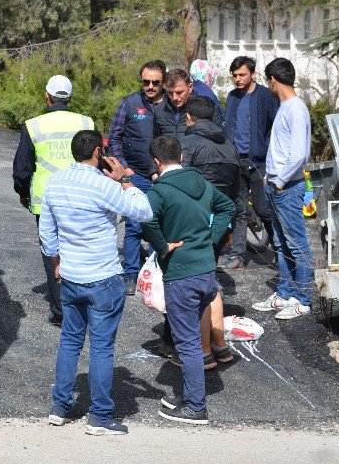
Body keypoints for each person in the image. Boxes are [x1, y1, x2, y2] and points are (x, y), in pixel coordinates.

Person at [40, 129, 153, 435]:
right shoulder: (104, 185)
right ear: (98, 153)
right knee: (102, 347)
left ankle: (60, 407)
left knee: (69, 341)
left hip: (71, 277)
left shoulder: (55, 183)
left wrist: (57, 265)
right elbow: (143, 211)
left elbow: (48, 236)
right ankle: (99, 415)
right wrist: (125, 179)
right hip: (102, 277)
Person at [142, 136, 234, 425]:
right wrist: (211, 238)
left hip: (181, 275)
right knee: (192, 339)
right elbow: (227, 208)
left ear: (156, 162)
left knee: (189, 345)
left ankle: (196, 407)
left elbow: (146, 221)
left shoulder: (159, 191)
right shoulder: (202, 184)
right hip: (206, 272)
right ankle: (190, 395)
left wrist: (162, 245)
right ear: (180, 156)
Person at [13, 75, 93, 324]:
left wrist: (23, 193)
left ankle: (61, 311)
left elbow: (22, 169)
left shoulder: (33, 125)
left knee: (53, 253)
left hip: (46, 202)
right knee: (80, 248)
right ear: (70, 97)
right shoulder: (85, 122)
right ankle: (84, 304)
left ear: (46, 96)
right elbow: (98, 159)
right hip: (81, 197)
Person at [179, 95, 240, 366]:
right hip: (220, 224)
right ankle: (220, 345)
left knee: (193, 288)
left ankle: (203, 352)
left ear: (190, 118)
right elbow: (237, 195)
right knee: (210, 283)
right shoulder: (230, 147)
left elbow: (179, 185)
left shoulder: (188, 144)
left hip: (194, 223)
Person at [252, 58, 314, 320]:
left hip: (286, 187)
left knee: (296, 243)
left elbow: (300, 153)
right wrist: (271, 178)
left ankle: (303, 298)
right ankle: (285, 293)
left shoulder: (295, 109)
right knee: (280, 241)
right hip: (277, 184)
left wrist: (278, 181)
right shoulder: (285, 107)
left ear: (273, 81)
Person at [106, 60, 166, 292]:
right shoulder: (129, 103)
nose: (150, 86)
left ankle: (155, 272)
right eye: (146, 82)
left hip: (163, 175)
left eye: (155, 82)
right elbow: (114, 138)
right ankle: (131, 273)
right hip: (136, 174)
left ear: (163, 82)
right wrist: (124, 167)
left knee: (159, 225)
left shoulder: (170, 104)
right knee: (134, 226)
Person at [223, 56, 279, 270]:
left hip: (259, 161)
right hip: (237, 161)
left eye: (242, 75)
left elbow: (275, 125)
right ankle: (237, 255)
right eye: (235, 75)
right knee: (239, 210)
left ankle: (279, 250)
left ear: (253, 74)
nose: (237, 79)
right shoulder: (232, 96)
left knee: (264, 208)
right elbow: (230, 126)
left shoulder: (265, 95)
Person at [154, 68, 225, 140]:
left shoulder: (206, 107)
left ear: (190, 87)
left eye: (179, 92)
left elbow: (218, 136)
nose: (174, 97)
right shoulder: (159, 110)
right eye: (170, 93)